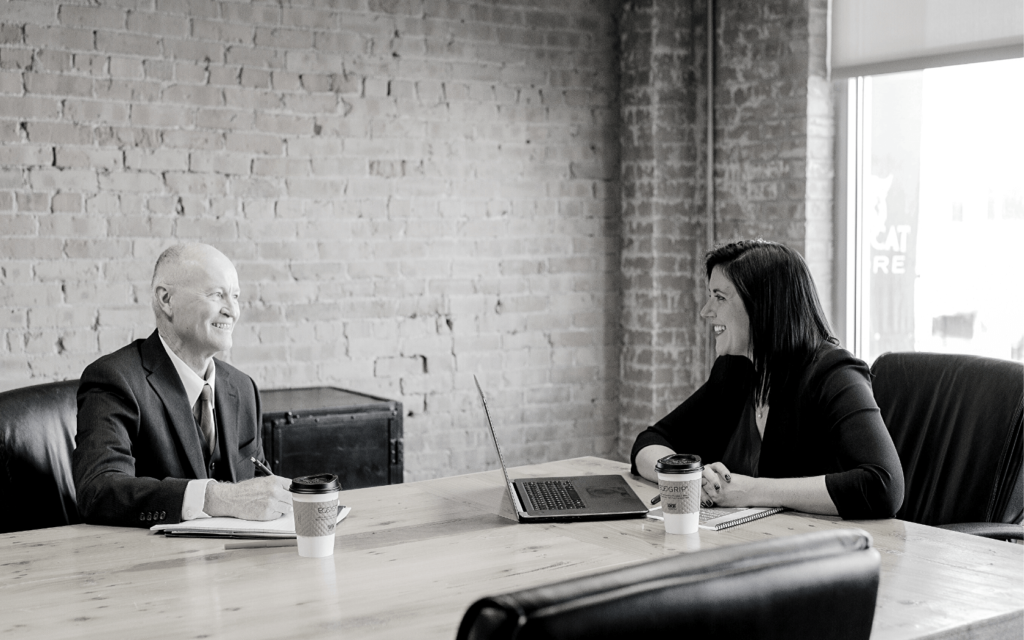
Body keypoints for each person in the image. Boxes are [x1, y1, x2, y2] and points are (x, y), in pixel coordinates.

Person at [631, 239, 904, 519]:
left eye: (720, 297)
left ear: (763, 306)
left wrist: (751, 491)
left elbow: (883, 487)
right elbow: (650, 440)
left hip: (826, 550)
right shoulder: (736, 370)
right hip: (759, 542)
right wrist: (687, 479)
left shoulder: (835, 374)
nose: (706, 311)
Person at [73, 243, 292, 528]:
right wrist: (214, 497)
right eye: (217, 295)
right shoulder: (114, 378)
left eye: (235, 296)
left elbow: (257, 492)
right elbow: (98, 491)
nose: (233, 311)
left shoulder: (242, 387)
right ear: (166, 300)